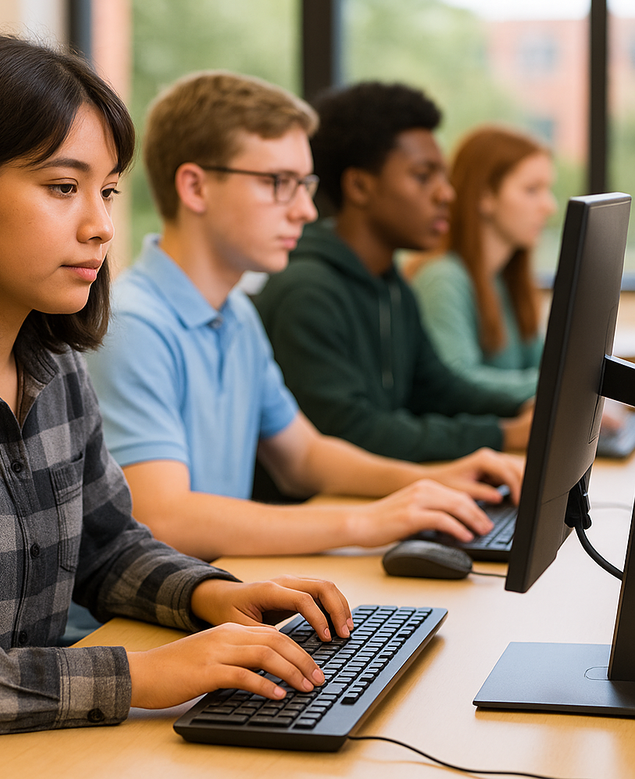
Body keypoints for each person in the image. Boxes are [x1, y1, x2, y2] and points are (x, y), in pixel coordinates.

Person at [0, 34, 355, 778]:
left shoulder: (51, 366)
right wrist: (138, 677)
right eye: (61, 187)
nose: (101, 226)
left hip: (37, 752)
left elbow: (105, 547)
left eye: (107, 190)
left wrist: (214, 595)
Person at [88, 70, 524, 566]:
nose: (306, 211)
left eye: (306, 184)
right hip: (126, 628)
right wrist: (366, 522)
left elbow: (304, 457)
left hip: (211, 595)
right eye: (280, 183)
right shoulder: (133, 325)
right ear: (195, 187)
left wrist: (429, 482)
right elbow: (166, 520)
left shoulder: (235, 315)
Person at [254, 81, 533, 464]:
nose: (446, 194)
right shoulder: (307, 292)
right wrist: (502, 435)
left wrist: (532, 407)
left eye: (443, 176)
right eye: (423, 175)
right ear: (360, 186)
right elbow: (352, 432)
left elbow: (438, 390)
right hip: (320, 509)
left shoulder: (391, 283)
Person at [407, 125, 556, 406]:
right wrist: (563, 388)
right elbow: (457, 380)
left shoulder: (505, 280)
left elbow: (544, 366)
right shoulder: (443, 278)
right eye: (532, 190)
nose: (549, 205)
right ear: (485, 196)